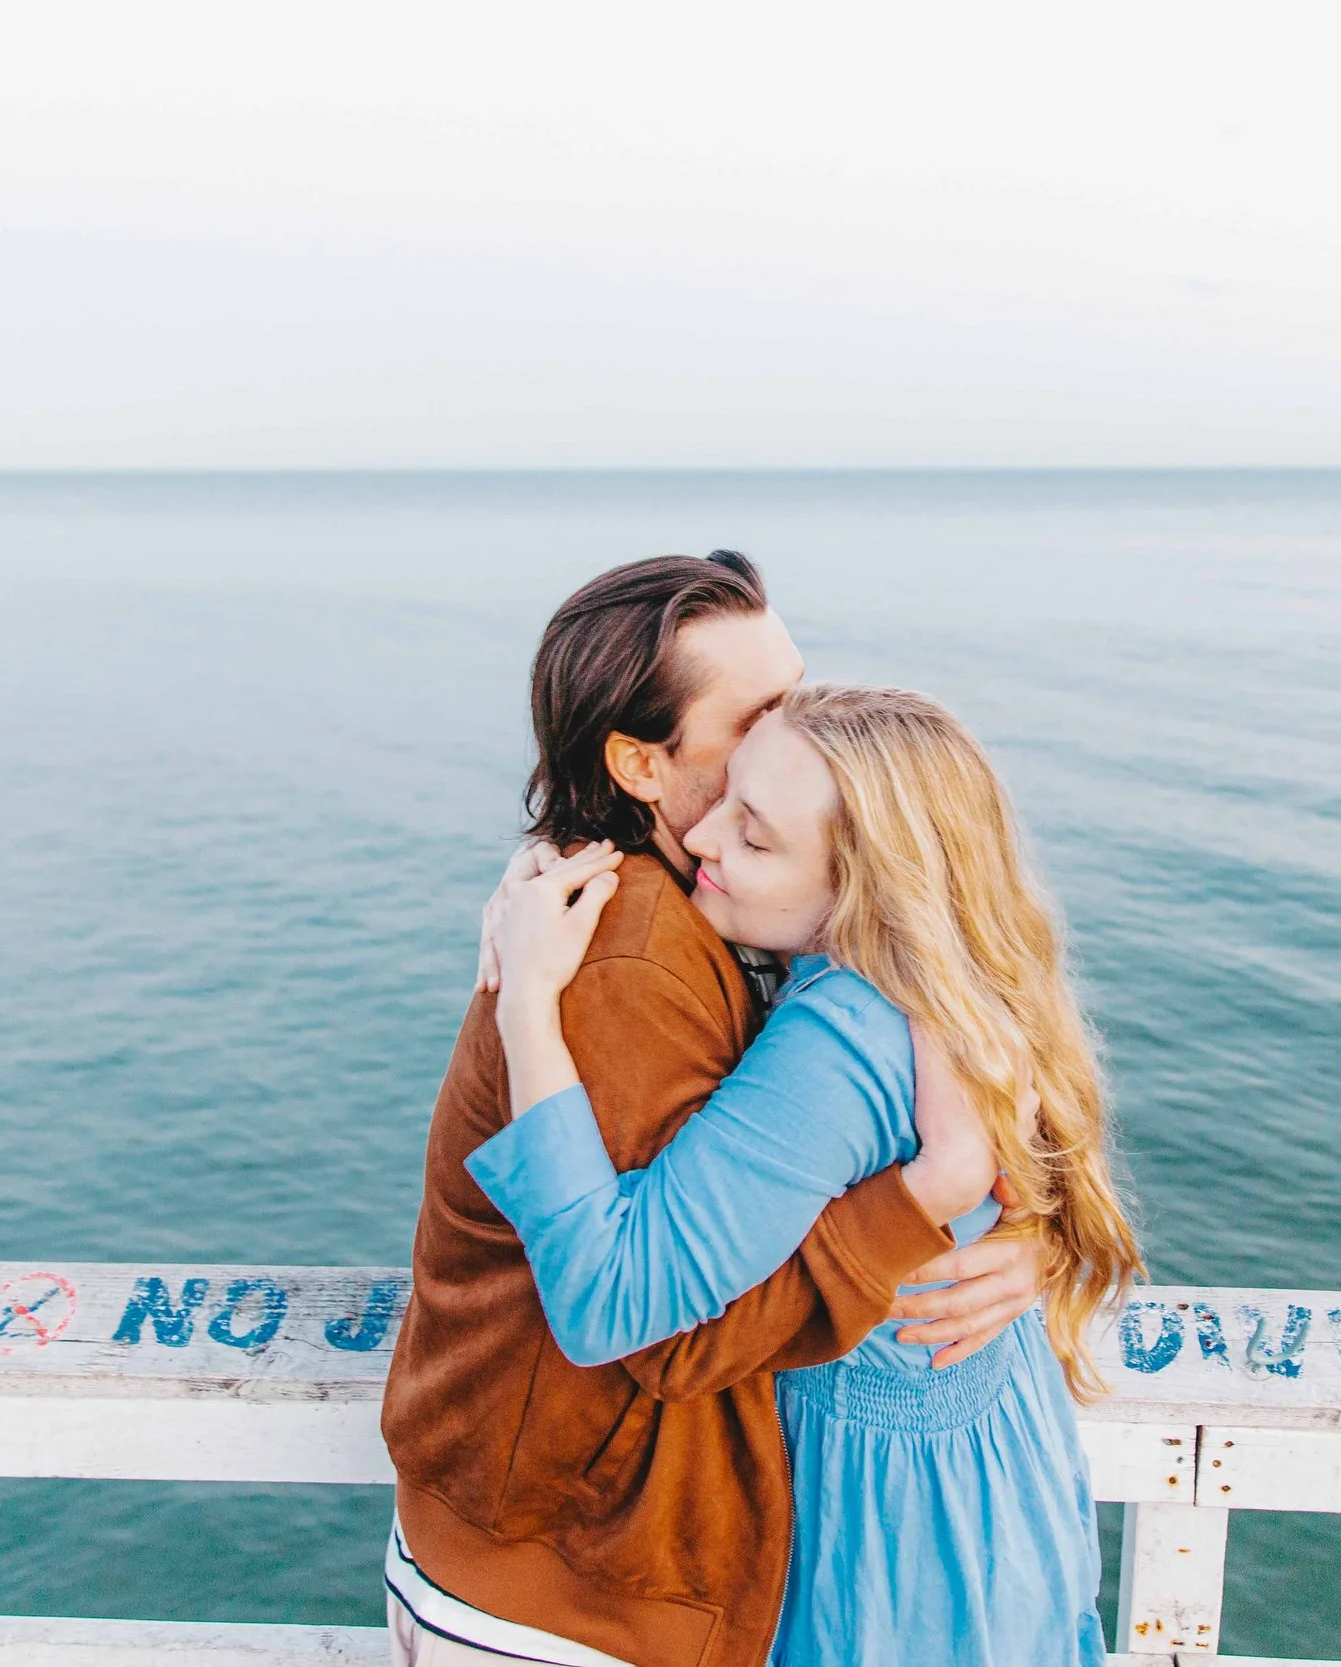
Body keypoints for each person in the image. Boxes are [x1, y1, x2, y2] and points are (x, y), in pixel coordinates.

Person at [380, 554, 1047, 1667]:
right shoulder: (632, 960)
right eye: (756, 715)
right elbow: (648, 1317)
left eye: (798, 689)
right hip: (558, 1590)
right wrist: (926, 1197)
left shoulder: (736, 918)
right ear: (642, 764)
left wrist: (1025, 1233)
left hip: (568, 1558)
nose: (794, 729)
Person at [475, 683, 1144, 1666]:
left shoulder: (845, 1034)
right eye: (724, 797)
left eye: (754, 837)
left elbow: (606, 1299)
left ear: (866, 884)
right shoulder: (950, 975)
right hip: (1000, 1488)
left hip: (893, 1552)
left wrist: (527, 1004)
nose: (701, 835)